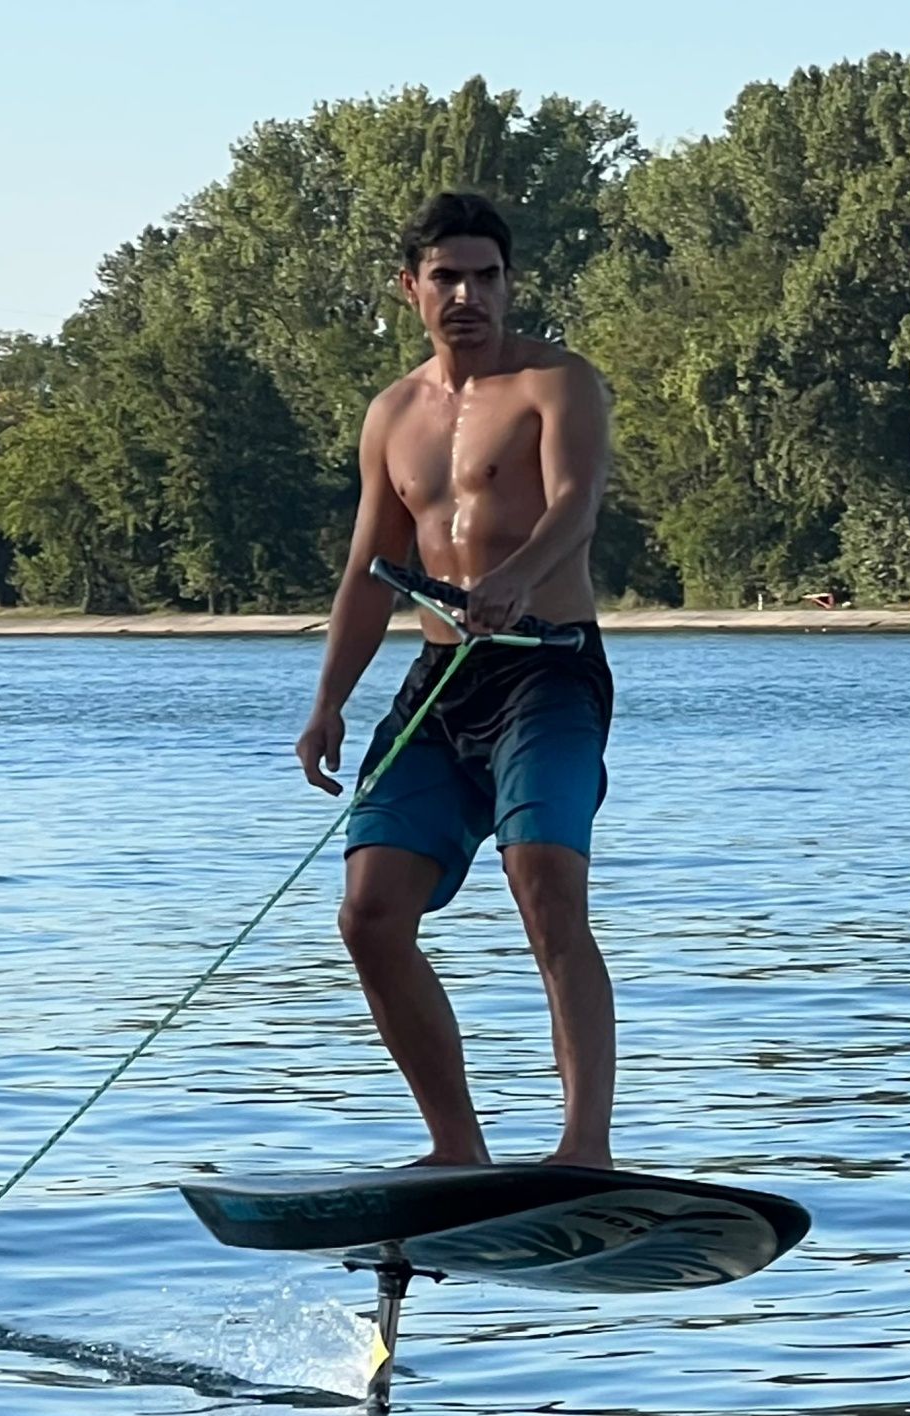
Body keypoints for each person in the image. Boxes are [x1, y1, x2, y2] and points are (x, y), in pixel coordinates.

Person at [293, 190, 618, 1169]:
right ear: (411, 288)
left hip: (547, 672)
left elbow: (577, 504)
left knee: (544, 884)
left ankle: (582, 1149)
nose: (468, 293)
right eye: (447, 276)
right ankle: (455, 1149)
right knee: (368, 915)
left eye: (486, 275)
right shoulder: (392, 414)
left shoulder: (558, 384)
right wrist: (328, 701)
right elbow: (367, 569)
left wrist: (516, 578)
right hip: (439, 680)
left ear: (509, 283)